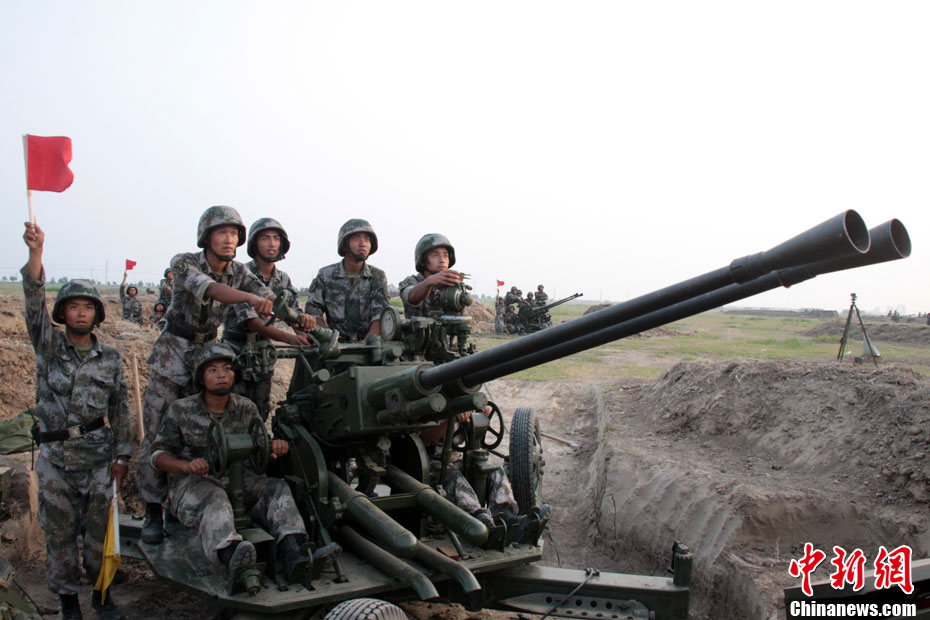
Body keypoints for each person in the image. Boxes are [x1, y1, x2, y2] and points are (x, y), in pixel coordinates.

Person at [137, 206, 275, 545]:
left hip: (207, 356)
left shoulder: (239, 271)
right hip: (174, 352)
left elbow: (269, 296)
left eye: (234, 234)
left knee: (202, 429)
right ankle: (153, 507)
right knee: (156, 432)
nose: (229, 239)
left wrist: (298, 321)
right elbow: (212, 289)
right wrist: (252, 298)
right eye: (221, 232)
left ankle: (189, 501)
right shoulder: (184, 263)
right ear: (206, 237)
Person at [21, 222, 132, 620]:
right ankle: (68, 601)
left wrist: (123, 456)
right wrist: (36, 253)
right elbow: (33, 300)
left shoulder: (110, 358)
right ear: (63, 312)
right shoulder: (48, 345)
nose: (80, 312)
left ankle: (102, 595)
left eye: (87, 307)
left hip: (98, 458)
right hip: (55, 459)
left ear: (97, 314)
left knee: (99, 533)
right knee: (60, 535)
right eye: (73, 306)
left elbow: (119, 409)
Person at [400, 234, 544, 539]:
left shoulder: (456, 290)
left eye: (445, 255)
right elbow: (411, 297)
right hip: (419, 375)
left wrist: (472, 401)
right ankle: (484, 523)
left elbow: (460, 347)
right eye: (435, 255)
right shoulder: (414, 283)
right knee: (447, 472)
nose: (442, 259)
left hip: (450, 371)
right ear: (423, 261)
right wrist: (432, 282)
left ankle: (510, 516)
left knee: (485, 464)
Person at [151, 344, 309, 584]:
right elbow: (158, 455)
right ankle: (232, 555)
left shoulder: (246, 408)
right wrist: (186, 466)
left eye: (227, 369)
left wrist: (273, 448)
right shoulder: (180, 410)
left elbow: (260, 449)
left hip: (240, 481)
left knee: (277, 488)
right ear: (201, 378)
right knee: (216, 498)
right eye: (213, 370)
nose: (221, 375)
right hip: (194, 486)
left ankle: (294, 551)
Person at [223, 218, 315, 420]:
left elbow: (291, 314)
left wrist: (305, 331)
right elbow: (252, 322)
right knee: (232, 411)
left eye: (276, 238)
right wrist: (291, 339)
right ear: (255, 243)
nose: (272, 244)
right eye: (265, 238)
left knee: (260, 411)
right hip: (236, 352)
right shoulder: (240, 273)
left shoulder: (283, 279)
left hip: (263, 354)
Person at [304, 219, 390, 343]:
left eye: (367, 239)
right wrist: (329, 338)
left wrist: (367, 342)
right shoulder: (325, 275)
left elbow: (381, 314)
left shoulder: (377, 276)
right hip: (333, 343)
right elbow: (313, 310)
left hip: (369, 345)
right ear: (344, 244)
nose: (363, 244)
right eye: (356, 238)